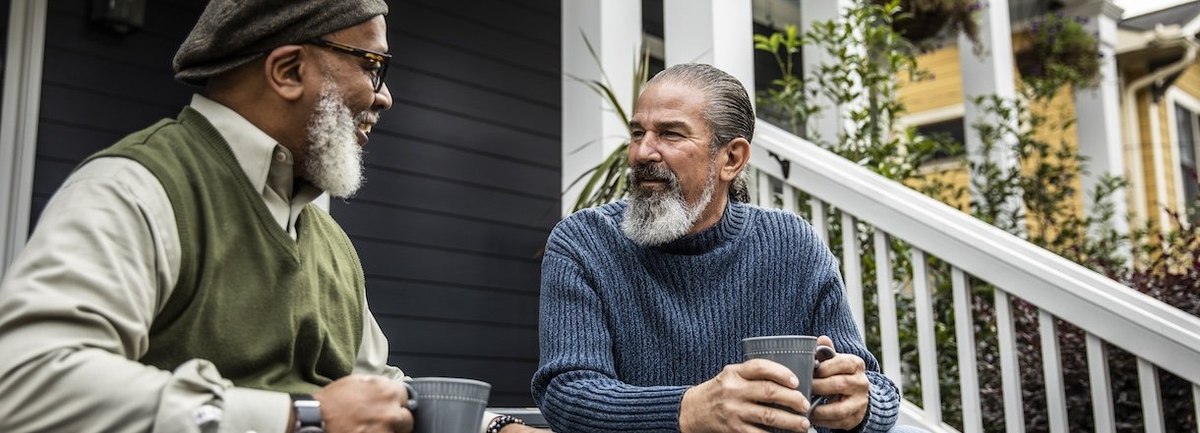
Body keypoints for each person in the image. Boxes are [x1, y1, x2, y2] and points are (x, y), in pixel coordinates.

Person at [0, 2, 537, 433]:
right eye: (372, 66)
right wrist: (300, 417)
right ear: (287, 70)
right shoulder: (137, 188)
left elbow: (376, 396)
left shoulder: (330, 241)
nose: (386, 97)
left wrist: (497, 427)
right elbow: (26, 383)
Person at [532, 63, 924, 433]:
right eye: (638, 133)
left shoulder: (793, 245)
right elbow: (567, 392)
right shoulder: (584, 241)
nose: (642, 152)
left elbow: (871, 383)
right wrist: (689, 408)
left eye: (670, 134)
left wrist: (864, 405)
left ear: (731, 158)